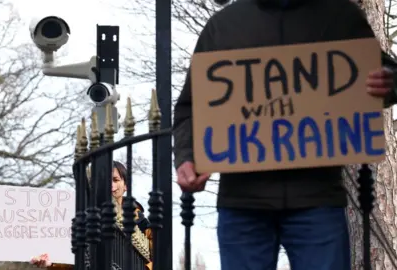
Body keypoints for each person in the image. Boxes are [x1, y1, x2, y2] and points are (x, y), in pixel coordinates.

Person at [173, 0, 397, 270]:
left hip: (317, 200)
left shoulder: (340, 15)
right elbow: (190, 106)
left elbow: (381, 71)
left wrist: (389, 80)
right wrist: (187, 157)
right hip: (244, 203)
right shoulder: (222, 26)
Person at [30, 161, 153, 270]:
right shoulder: (84, 216)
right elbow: (77, 258)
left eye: (115, 180)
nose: (110, 185)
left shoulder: (141, 222)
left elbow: (159, 257)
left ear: (125, 185)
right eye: (104, 181)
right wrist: (52, 264)